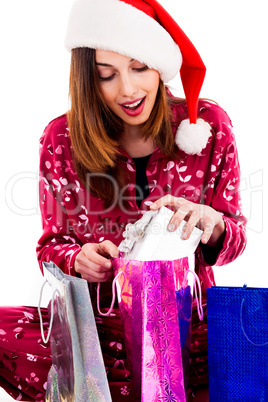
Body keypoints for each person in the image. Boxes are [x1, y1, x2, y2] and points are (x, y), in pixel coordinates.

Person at [0, 0, 246, 400]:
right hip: (98, 334)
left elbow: (235, 236)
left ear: (159, 65)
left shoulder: (206, 126)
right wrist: (76, 259)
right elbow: (50, 248)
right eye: (106, 75)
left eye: (139, 67)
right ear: (87, 80)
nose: (128, 90)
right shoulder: (61, 140)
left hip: (191, 329)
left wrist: (212, 222)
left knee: (252, 342)